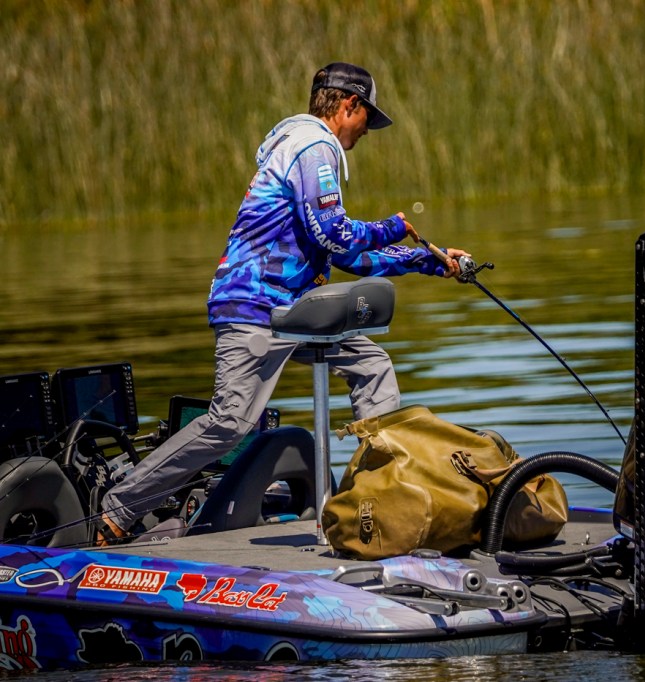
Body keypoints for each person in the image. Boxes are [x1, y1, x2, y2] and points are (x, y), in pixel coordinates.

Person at [98, 62, 469, 545]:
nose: (366, 132)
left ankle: (374, 503)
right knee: (230, 422)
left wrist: (427, 261)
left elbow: (347, 256)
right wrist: (393, 227)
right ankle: (117, 510)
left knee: (372, 366)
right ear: (349, 105)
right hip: (253, 305)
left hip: (294, 309)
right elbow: (335, 234)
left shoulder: (308, 148)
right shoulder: (313, 146)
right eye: (367, 119)